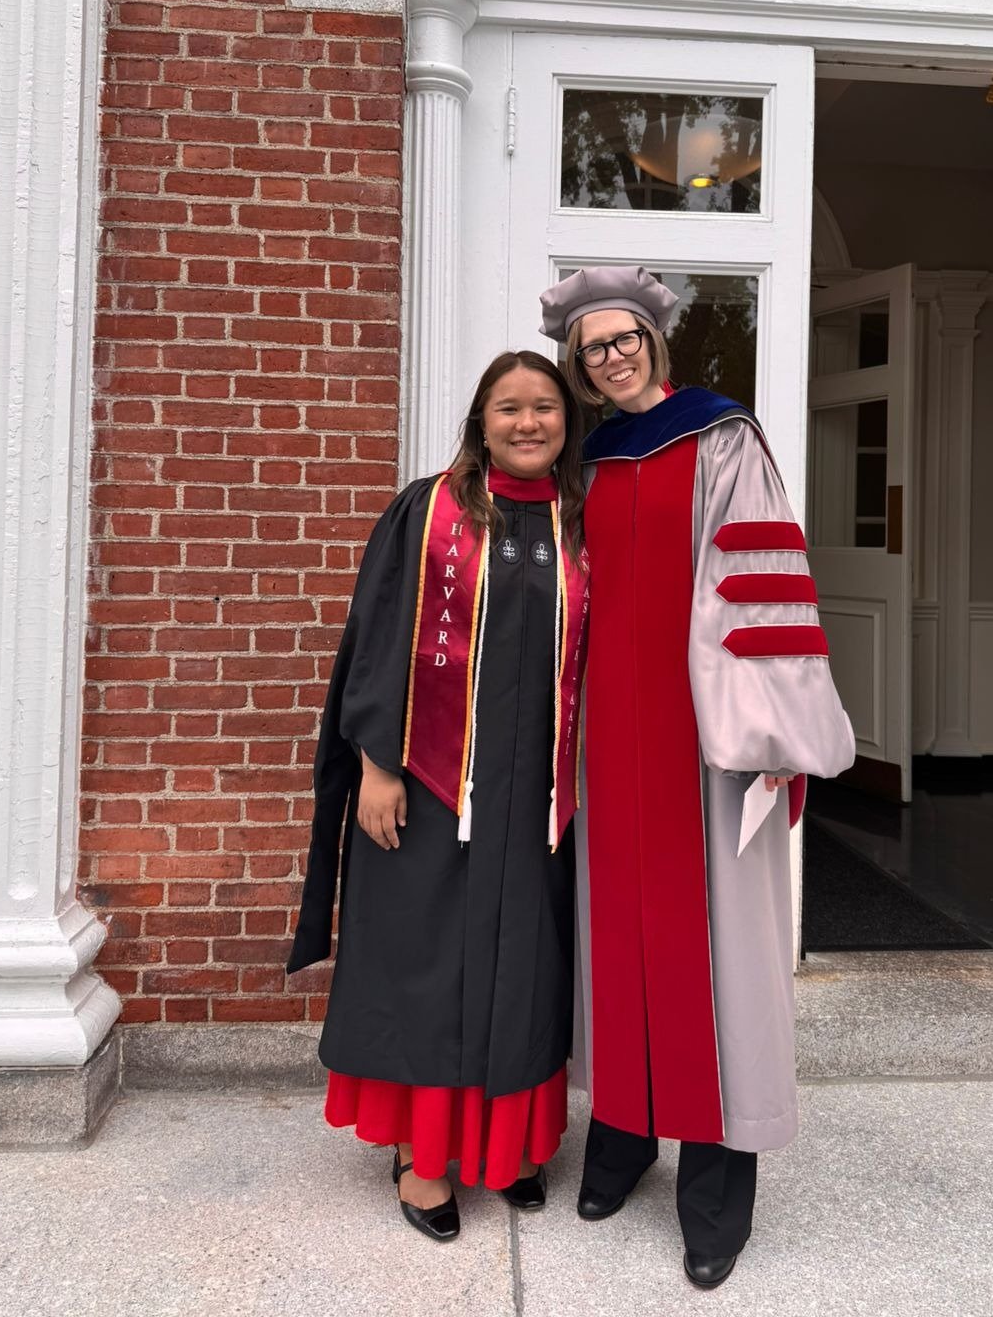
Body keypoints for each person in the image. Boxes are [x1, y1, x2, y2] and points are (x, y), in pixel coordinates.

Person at [539, 266, 854, 1291]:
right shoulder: (585, 461)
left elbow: (763, 584)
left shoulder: (721, 437)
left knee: (716, 954)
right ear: (578, 365)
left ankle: (718, 1185)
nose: (611, 358)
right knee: (618, 940)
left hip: (707, 738)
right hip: (607, 742)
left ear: (655, 340)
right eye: (592, 348)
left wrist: (768, 732)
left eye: (624, 339)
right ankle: (625, 1133)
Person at [287, 351, 589, 1242]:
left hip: (535, 795)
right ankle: (422, 1157)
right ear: (481, 421)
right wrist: (377, 765)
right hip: (429, 787)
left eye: (545, 407)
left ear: (567, 422)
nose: (528, 423)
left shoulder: (582, 522)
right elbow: (377, 639)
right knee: (429, 966)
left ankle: (512, 1148)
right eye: (509, 408)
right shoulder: (429, 512)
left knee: (525, 965)